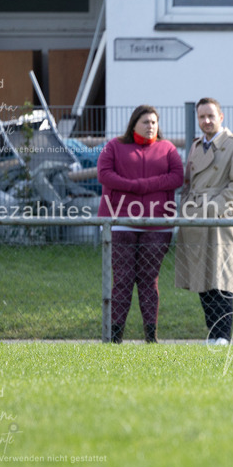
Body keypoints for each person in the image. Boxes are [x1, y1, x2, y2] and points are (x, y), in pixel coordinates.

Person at [98, 105, 184, 343]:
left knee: (149, 280)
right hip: (120, 224)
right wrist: (136, 186)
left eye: (154, 122)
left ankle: (151, 336)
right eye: (145, 122)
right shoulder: (114, 146)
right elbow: (104, 174)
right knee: (123, 280)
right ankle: (114, 336)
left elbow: (178, 176)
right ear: (133, 123)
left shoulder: (167, 149)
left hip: (157, 225)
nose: (150, 126)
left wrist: (144, 185)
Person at [175, 98, 233, 345]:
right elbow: (189, 183)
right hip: (196, 219)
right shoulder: (197, 146)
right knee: (201, 277)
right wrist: (185, 210)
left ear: (221, 116)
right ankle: (212, 334)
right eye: (201, 117)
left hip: (220, 219)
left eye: (210, 116)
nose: (206, 121)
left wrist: (212, 208)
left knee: (221, 276)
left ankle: (223, 336)